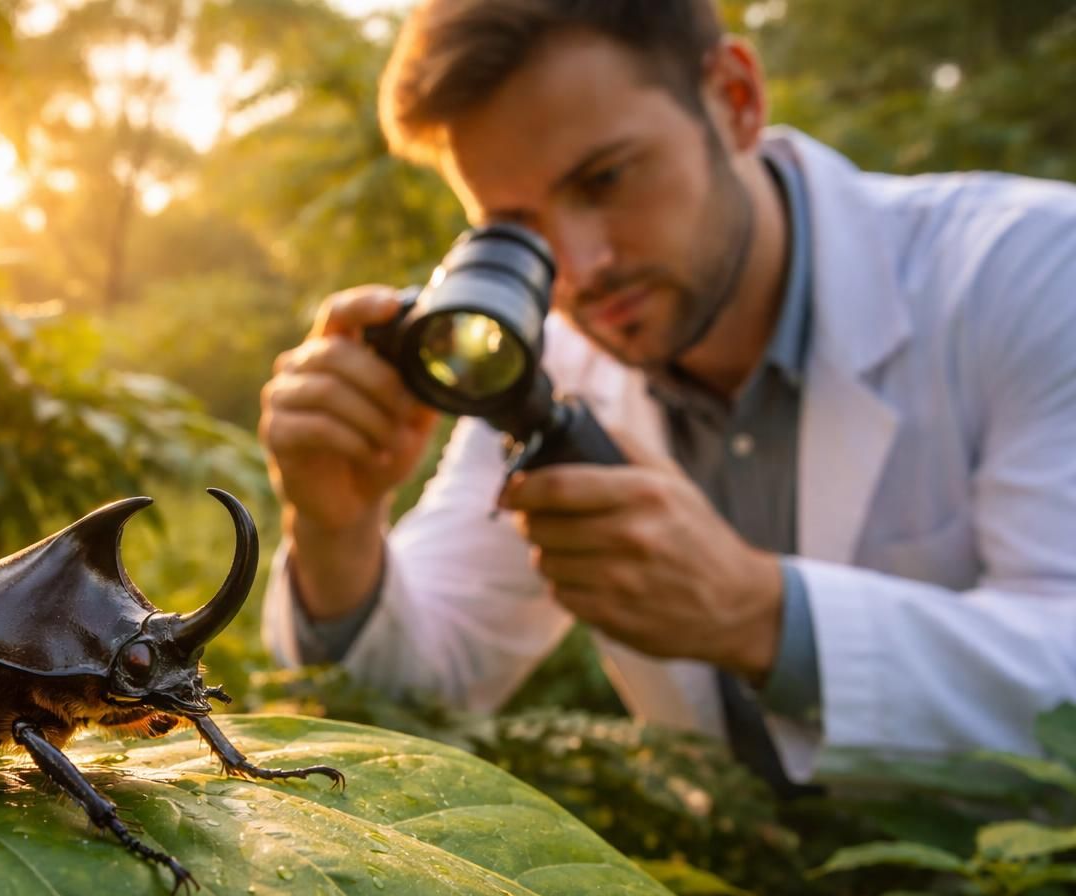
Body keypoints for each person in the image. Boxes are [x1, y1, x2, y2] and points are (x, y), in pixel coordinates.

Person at [256, 0, 1076, 789]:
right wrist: (338, 527)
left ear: (736, 100)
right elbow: (423, 690)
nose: (578, 267)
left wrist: (761, 617)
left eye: (606, 178)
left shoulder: (1032, 273)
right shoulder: (557, 363)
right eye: (519, 228)